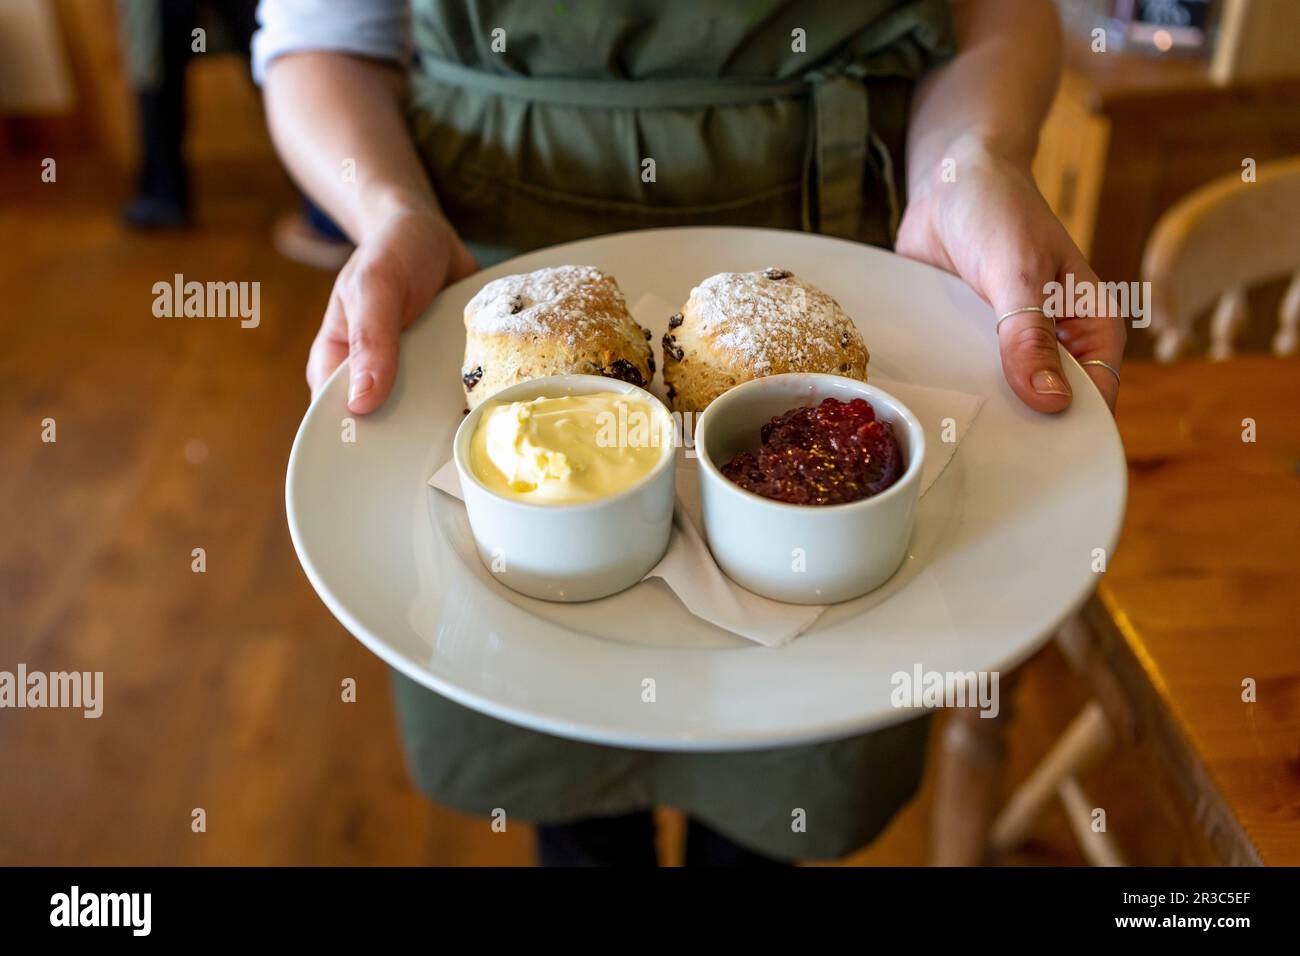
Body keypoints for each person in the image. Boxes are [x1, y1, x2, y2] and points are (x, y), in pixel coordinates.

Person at [254, 0, 1125, 866]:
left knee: (786, 778)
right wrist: (386, 212)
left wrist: (972, 161)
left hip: (846, 245)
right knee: (561, 767)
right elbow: (319, 36)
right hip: (477, 267)